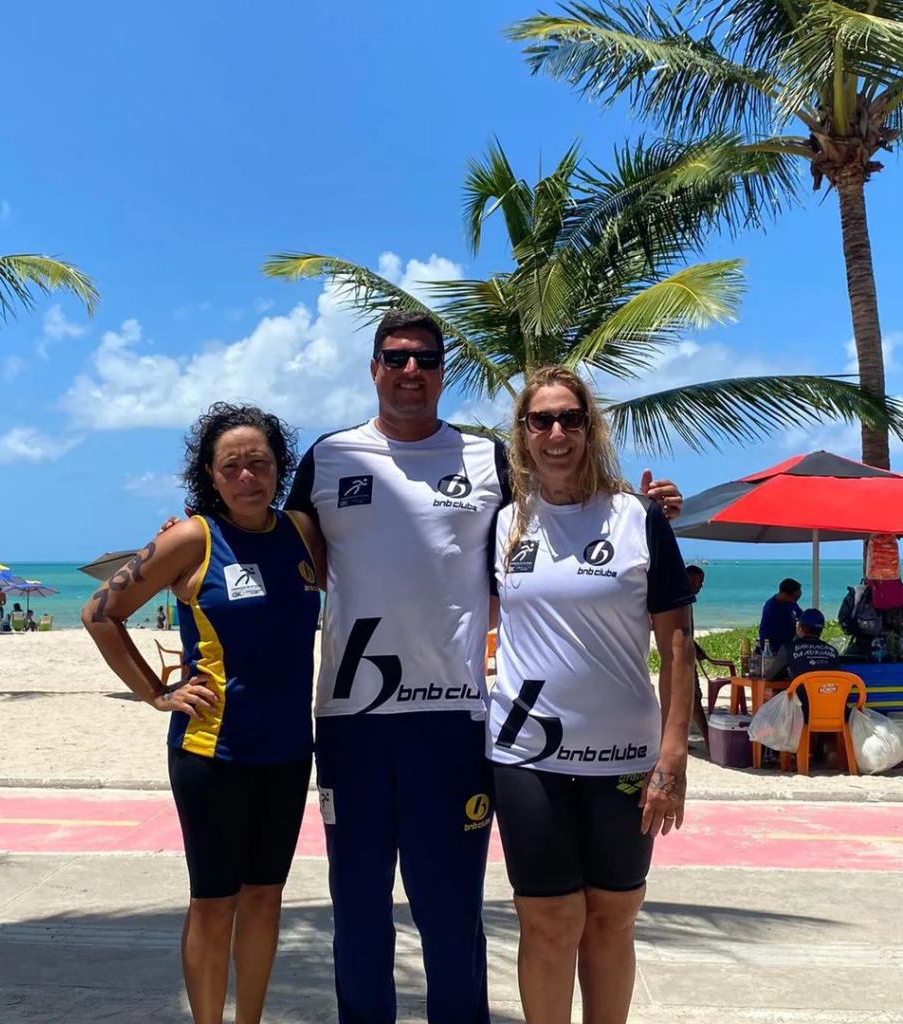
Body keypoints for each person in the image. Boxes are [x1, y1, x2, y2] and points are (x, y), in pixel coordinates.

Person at [281, 310, 684, 1024]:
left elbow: (568, 512)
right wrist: (196, 536)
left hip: (456, 717)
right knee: (360, 910)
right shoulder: (329, 457)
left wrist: (641, 511)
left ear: (443, 372)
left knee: (450, 915)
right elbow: (278, 551)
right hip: (352, 719)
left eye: (425, 359)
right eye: (396, 357)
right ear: (374, 368)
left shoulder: (486, 459)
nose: (411, 371)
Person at [83, 403, 324, 1024]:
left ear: (279, 467)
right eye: (231, 466)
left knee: (266, 898)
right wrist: (156, 693)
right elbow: (99, 613)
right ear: (210, 476)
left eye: (259, 463)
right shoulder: (193, 537)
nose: (247, 476)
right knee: (215, 904)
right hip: (213, 751)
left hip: (289, 750)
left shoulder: (303, 531)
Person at [488, 366, 695, 1024]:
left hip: (625, 757)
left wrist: (673, 758)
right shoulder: (501, 524)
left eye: (570, 419)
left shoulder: (639, 518)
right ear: (523, 435)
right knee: (548, 920)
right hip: (526, 754)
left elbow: (677, 642)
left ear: (589, 429)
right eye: (541, 420)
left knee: (611, 917)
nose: (556, 433)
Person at [763, 608, 841, 681]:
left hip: (802, 691)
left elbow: (770, 675)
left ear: (800, 628)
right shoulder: (833, 651)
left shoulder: (788, 649)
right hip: (830, 691)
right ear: (821, 630)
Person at [685, 565, 710, 751]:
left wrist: (697, 649)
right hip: (681, 659)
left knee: (688, 700)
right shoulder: (680, 601)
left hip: (687, 654)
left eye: (701, 582)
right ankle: (709, 739)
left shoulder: (687, 601)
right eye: (696, 581)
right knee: (693, 699)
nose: (699, 586)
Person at [759, 578, 802, 655]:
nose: (795, 601)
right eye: (795, 598)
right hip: (775, 649)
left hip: (789, 645)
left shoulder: (790, 602)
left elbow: (801, 616)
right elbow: (764, 630)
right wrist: (766, 650)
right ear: (785, 595)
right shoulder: (770, 608)